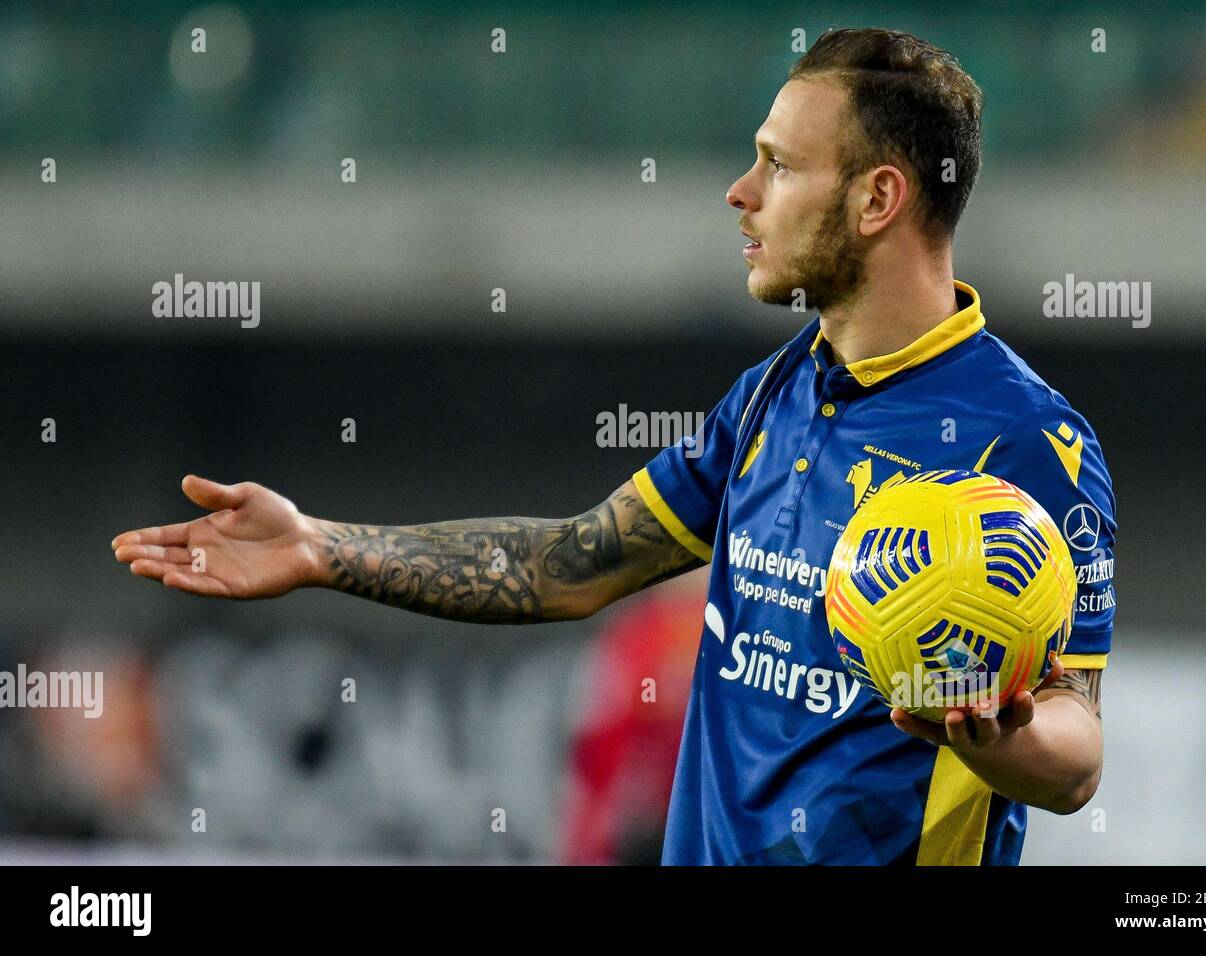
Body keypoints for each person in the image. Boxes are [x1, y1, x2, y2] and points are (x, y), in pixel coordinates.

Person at [113, 27, 1115, 865]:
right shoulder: (771, 391)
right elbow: (570, 563)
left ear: (876, 199)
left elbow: (1075, 749)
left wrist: (995, 731)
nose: (740, 190)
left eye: (777, 163)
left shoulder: (1029, 439)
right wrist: (322, 547)